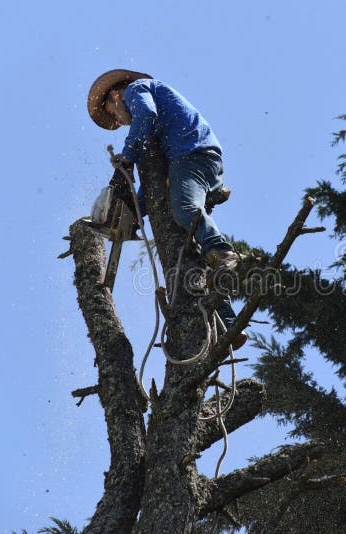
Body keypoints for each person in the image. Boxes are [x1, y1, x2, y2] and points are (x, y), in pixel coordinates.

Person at [87, 69, 246, 349]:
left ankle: (223, 252)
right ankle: (227, 323)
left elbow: (144, 115)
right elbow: (155, 188)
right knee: (191, 251)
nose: (120, 121)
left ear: (115, 95)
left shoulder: (137, 90)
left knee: (185, 209)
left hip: (193, 154)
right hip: (188, 159)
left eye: (115, 115)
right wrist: (134, 213)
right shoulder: (154, 135)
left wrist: (126, 158)